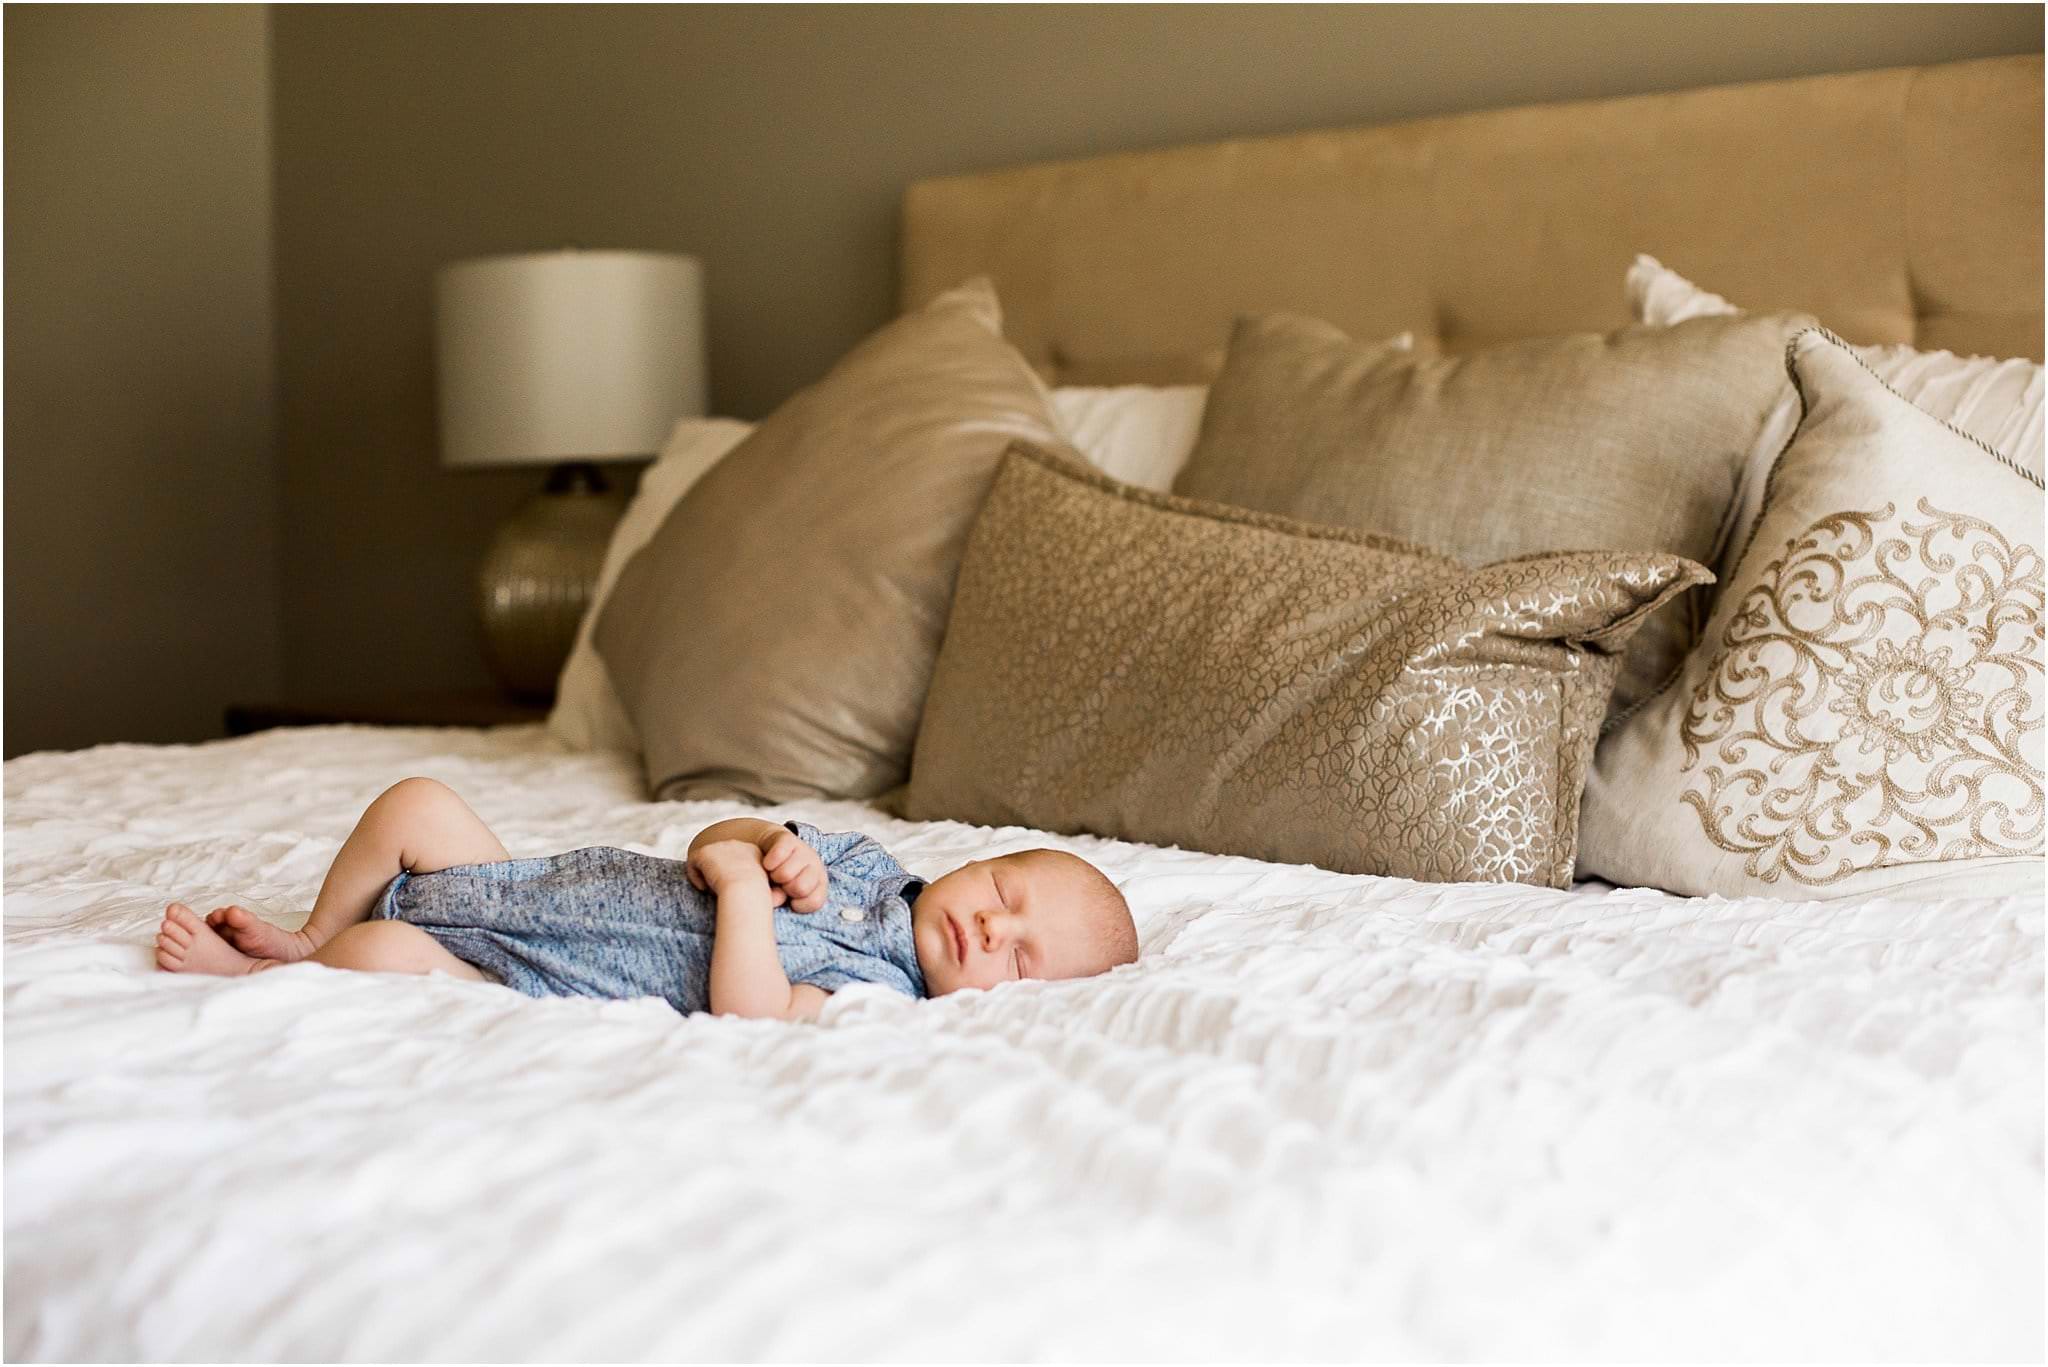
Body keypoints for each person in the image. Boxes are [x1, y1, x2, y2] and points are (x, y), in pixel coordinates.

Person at [152, 777, 1138, 1022]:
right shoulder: (866, 861)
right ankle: (306, 932)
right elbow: (710, 839)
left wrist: (750, 897)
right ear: (978, 866)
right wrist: (758, 846)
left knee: (382, 957)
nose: (993, 927)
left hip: (516, 966)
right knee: (417, 803)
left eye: (1020, 957)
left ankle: (276, 970)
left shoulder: (880, 995)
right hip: (524, 880)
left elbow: (747, 1009)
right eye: (1007, 892)